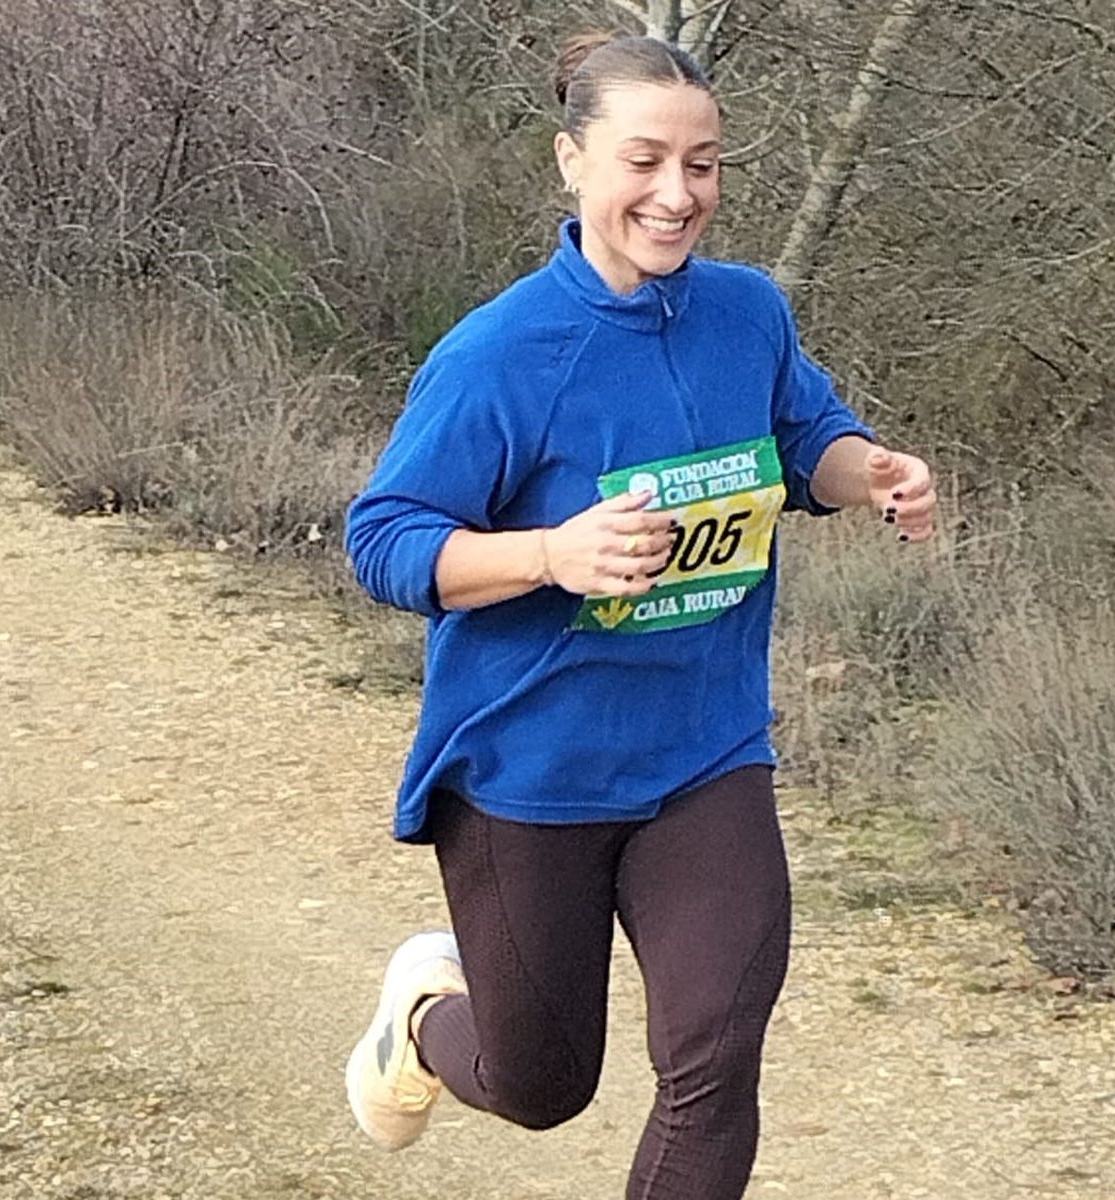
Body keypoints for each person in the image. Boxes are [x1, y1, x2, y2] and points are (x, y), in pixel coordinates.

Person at [340, 29, 939, 1200]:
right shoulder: (501, 355)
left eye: (703, 165)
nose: (678, 195)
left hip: (703, 754)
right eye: (644, 160)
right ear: (572, 161)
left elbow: (800, 433)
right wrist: (550, 553)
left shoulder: (746, 312)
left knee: (713, 1067)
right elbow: (384, 539)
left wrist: (867, 469)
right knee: (540, 1083)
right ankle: (422, 1019)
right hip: (530, 767)